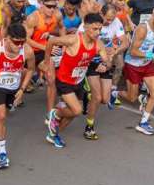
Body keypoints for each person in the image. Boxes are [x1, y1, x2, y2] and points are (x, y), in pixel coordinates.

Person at [45, 13, 110, 147]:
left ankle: (54, 134)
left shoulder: (98, 44)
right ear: (85, 27)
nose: (97, 33)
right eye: (94, 29)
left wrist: (104, 65)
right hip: (64, 81)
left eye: (100, 29)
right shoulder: (73, 40)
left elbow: (107, 61)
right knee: (77, 110)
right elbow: (51, 41)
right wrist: (47, 63)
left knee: (72, 114)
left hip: (78, 81)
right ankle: (55, 113)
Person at [0, 23, 35, 169]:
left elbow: (30, 69)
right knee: (2, 115)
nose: (19, 45)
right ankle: (2, 153)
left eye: (22, 42)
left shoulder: (27, 51)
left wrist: (22, 89)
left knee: (1, 111)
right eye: (16, 42)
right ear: (8, 38)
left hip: (14, 87)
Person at [109, 6, 154, 135]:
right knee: (132, 98)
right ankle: (115, 93)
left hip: (147, 65)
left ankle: (143, 123)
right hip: (133, 65)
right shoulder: (142, 29)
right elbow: (133, 51)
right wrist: (153, 56)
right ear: (153, 16)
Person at [82, 4, 128, 139]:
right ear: (101, 15)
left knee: (104, 99)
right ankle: (89, 128)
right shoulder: (90, 24)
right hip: (90, 62)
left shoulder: (115, 22)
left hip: (105, 61)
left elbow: (124, 43)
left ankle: (88, 95)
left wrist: (114, 52)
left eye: (112, 19)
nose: (109, 22)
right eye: (107, 19)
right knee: (97, 97)